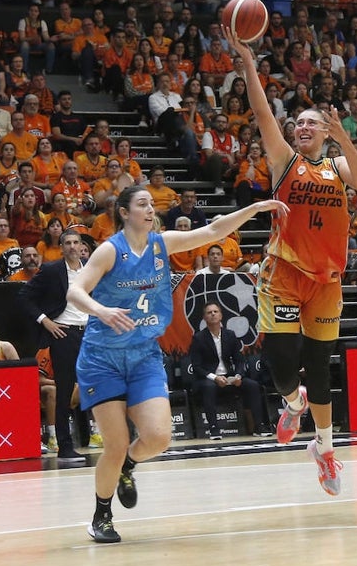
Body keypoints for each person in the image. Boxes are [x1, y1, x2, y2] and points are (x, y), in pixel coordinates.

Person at [67, 186, 284, 543]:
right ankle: (101, 514)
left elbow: (213, 232)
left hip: (143, 354)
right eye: (142, 205)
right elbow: (75, 292)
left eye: (152, 204)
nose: (150, 209)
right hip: (102, 357)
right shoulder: (110, 250)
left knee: (158, 437)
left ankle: (129, 467)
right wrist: (102, 311)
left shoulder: (161, 243)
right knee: (116, 442)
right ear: (124, 212)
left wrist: (255, 207)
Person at [230, 26, 357, 497]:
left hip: (327, 281)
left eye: (311, 123)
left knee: (321, 364)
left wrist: (343, 137)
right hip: (284, 275)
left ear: (324, 131)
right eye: (299, 124)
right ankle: (293, 403)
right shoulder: (286, 162)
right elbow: (262, 111)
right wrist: (249, 64)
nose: (302, 128)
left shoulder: (336, 167)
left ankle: (325, 452)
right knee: (284, 365)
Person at [17, 229, 92, 467]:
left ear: (82, 246)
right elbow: (24, 296)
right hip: (64, 334)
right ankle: (65, 446)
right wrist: (45, 321)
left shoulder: (91, 267)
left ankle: (103, 436)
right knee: (64, 390)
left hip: (90, 334)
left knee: (101, 384)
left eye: (75, 242)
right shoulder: (52, 270)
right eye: (67, 243)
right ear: (61, 247)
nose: (72, 246)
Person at [188, 302, 274, 439]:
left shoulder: (230, 335)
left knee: (252, 385)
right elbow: (197, 366)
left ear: (221, 315)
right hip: (208, 379)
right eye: (209, 312)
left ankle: (260, 426)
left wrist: (238, 376)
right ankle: (214, 429)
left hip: (229, 377)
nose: (213, 314)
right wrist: (214, 377)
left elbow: (239, 359)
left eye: (216, 311)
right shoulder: (199, 338)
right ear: (204, 317)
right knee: (209, 387)